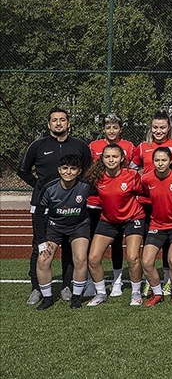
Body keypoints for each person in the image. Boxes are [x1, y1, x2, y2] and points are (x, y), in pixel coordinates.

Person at [17, 106, 91, 305]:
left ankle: (67, 286)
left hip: (71, 206)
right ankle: (36, 288)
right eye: (54, 120)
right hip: (43, 205)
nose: (58, 123)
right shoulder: (37, 145)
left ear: (68, 123)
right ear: (48, 123)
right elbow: (23, 170)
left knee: (69, 247)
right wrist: (39, 187)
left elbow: (87, 172)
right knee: (39, 247)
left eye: (62, 119)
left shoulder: (80, 146)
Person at [130, 111, 172, 295]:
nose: (158, 131)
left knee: (168, 244)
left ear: (168, 127)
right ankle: (151, 280)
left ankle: (167, 280)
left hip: (168, 202)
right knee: (149, 242)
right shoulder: (143, 147)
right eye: (155, 127)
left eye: (162, 127)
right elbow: (132, 167)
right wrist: (140, 180)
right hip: (147, 203)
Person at [85, 144, 148, 306]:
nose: (111, 160)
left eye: (114, 156)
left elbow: (144, 193)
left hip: (133, 218)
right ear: (102, 159)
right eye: (107, 157)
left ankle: (136, 292)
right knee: (93, 258)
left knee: (132, 257)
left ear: (121, 158)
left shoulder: (132, 175)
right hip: (108, 220)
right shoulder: (96, 177)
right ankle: (101, 293)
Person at [33, 154, 93, 310]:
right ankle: (47, 298)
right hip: (54, 227)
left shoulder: (86, 187)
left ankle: (76, 297)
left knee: (80, 259)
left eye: (73, 169)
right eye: (65, 168)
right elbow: (38, 214)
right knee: (43, 260)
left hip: (79, 226)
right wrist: (41, 240)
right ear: (59, 170)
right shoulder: (49, 188)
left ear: (79, 171)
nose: (68, 172)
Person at [87, 113, 135, 297]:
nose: (112, 131)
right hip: (95, 203)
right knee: (92, 243)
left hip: (118, 202)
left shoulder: (129, 146)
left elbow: (132, 171)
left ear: (120, 129)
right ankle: (91, 282)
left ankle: (117, 280)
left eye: (115, 127)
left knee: (116, 244)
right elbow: (89, 172)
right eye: (108, 127)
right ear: (103, 129)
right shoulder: (94, 146)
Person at [140, 147, 172, 307]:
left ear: (171, 161)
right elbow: (144, 196)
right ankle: (157, 293)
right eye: (157, 160)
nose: (160, 163)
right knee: (147, 262)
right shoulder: (146, 179)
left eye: (164, 160)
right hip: (157, 224)